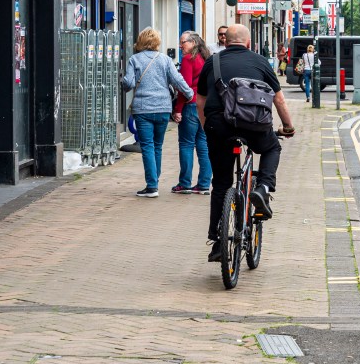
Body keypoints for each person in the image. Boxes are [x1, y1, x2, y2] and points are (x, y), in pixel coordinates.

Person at [197, 24, 295, 263]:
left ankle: (218, 240)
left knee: (220, 184)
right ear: (248, 42)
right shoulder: (261, 62)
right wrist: (288, 127)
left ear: (225, 41)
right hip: (254, 125)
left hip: (219, 126)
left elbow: (200, 101)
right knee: (272, 147)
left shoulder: (213, 62)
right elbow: (279, 99)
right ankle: (262, 188)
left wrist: (206, 127)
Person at [121, 27, 193, 198]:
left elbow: (128, 84)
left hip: (143, 109)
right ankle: (155, 181)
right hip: (163, 108)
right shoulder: (165, 60)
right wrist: (189, 93)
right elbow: (177, 79)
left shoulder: (134, 59)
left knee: (147, 146)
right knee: (157, 146)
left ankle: (152, 186)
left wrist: (123, 81)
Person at [172, 31, 212, 195]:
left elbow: (185, 87)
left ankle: (185, 183)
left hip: (190, 106)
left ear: (194, 42)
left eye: (184, 42)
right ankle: (203, 184)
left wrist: (178, 109)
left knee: (186, 144)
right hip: (205, 106)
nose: (181, 46)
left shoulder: (189, 59)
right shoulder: (206, 59)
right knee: (203, 146)